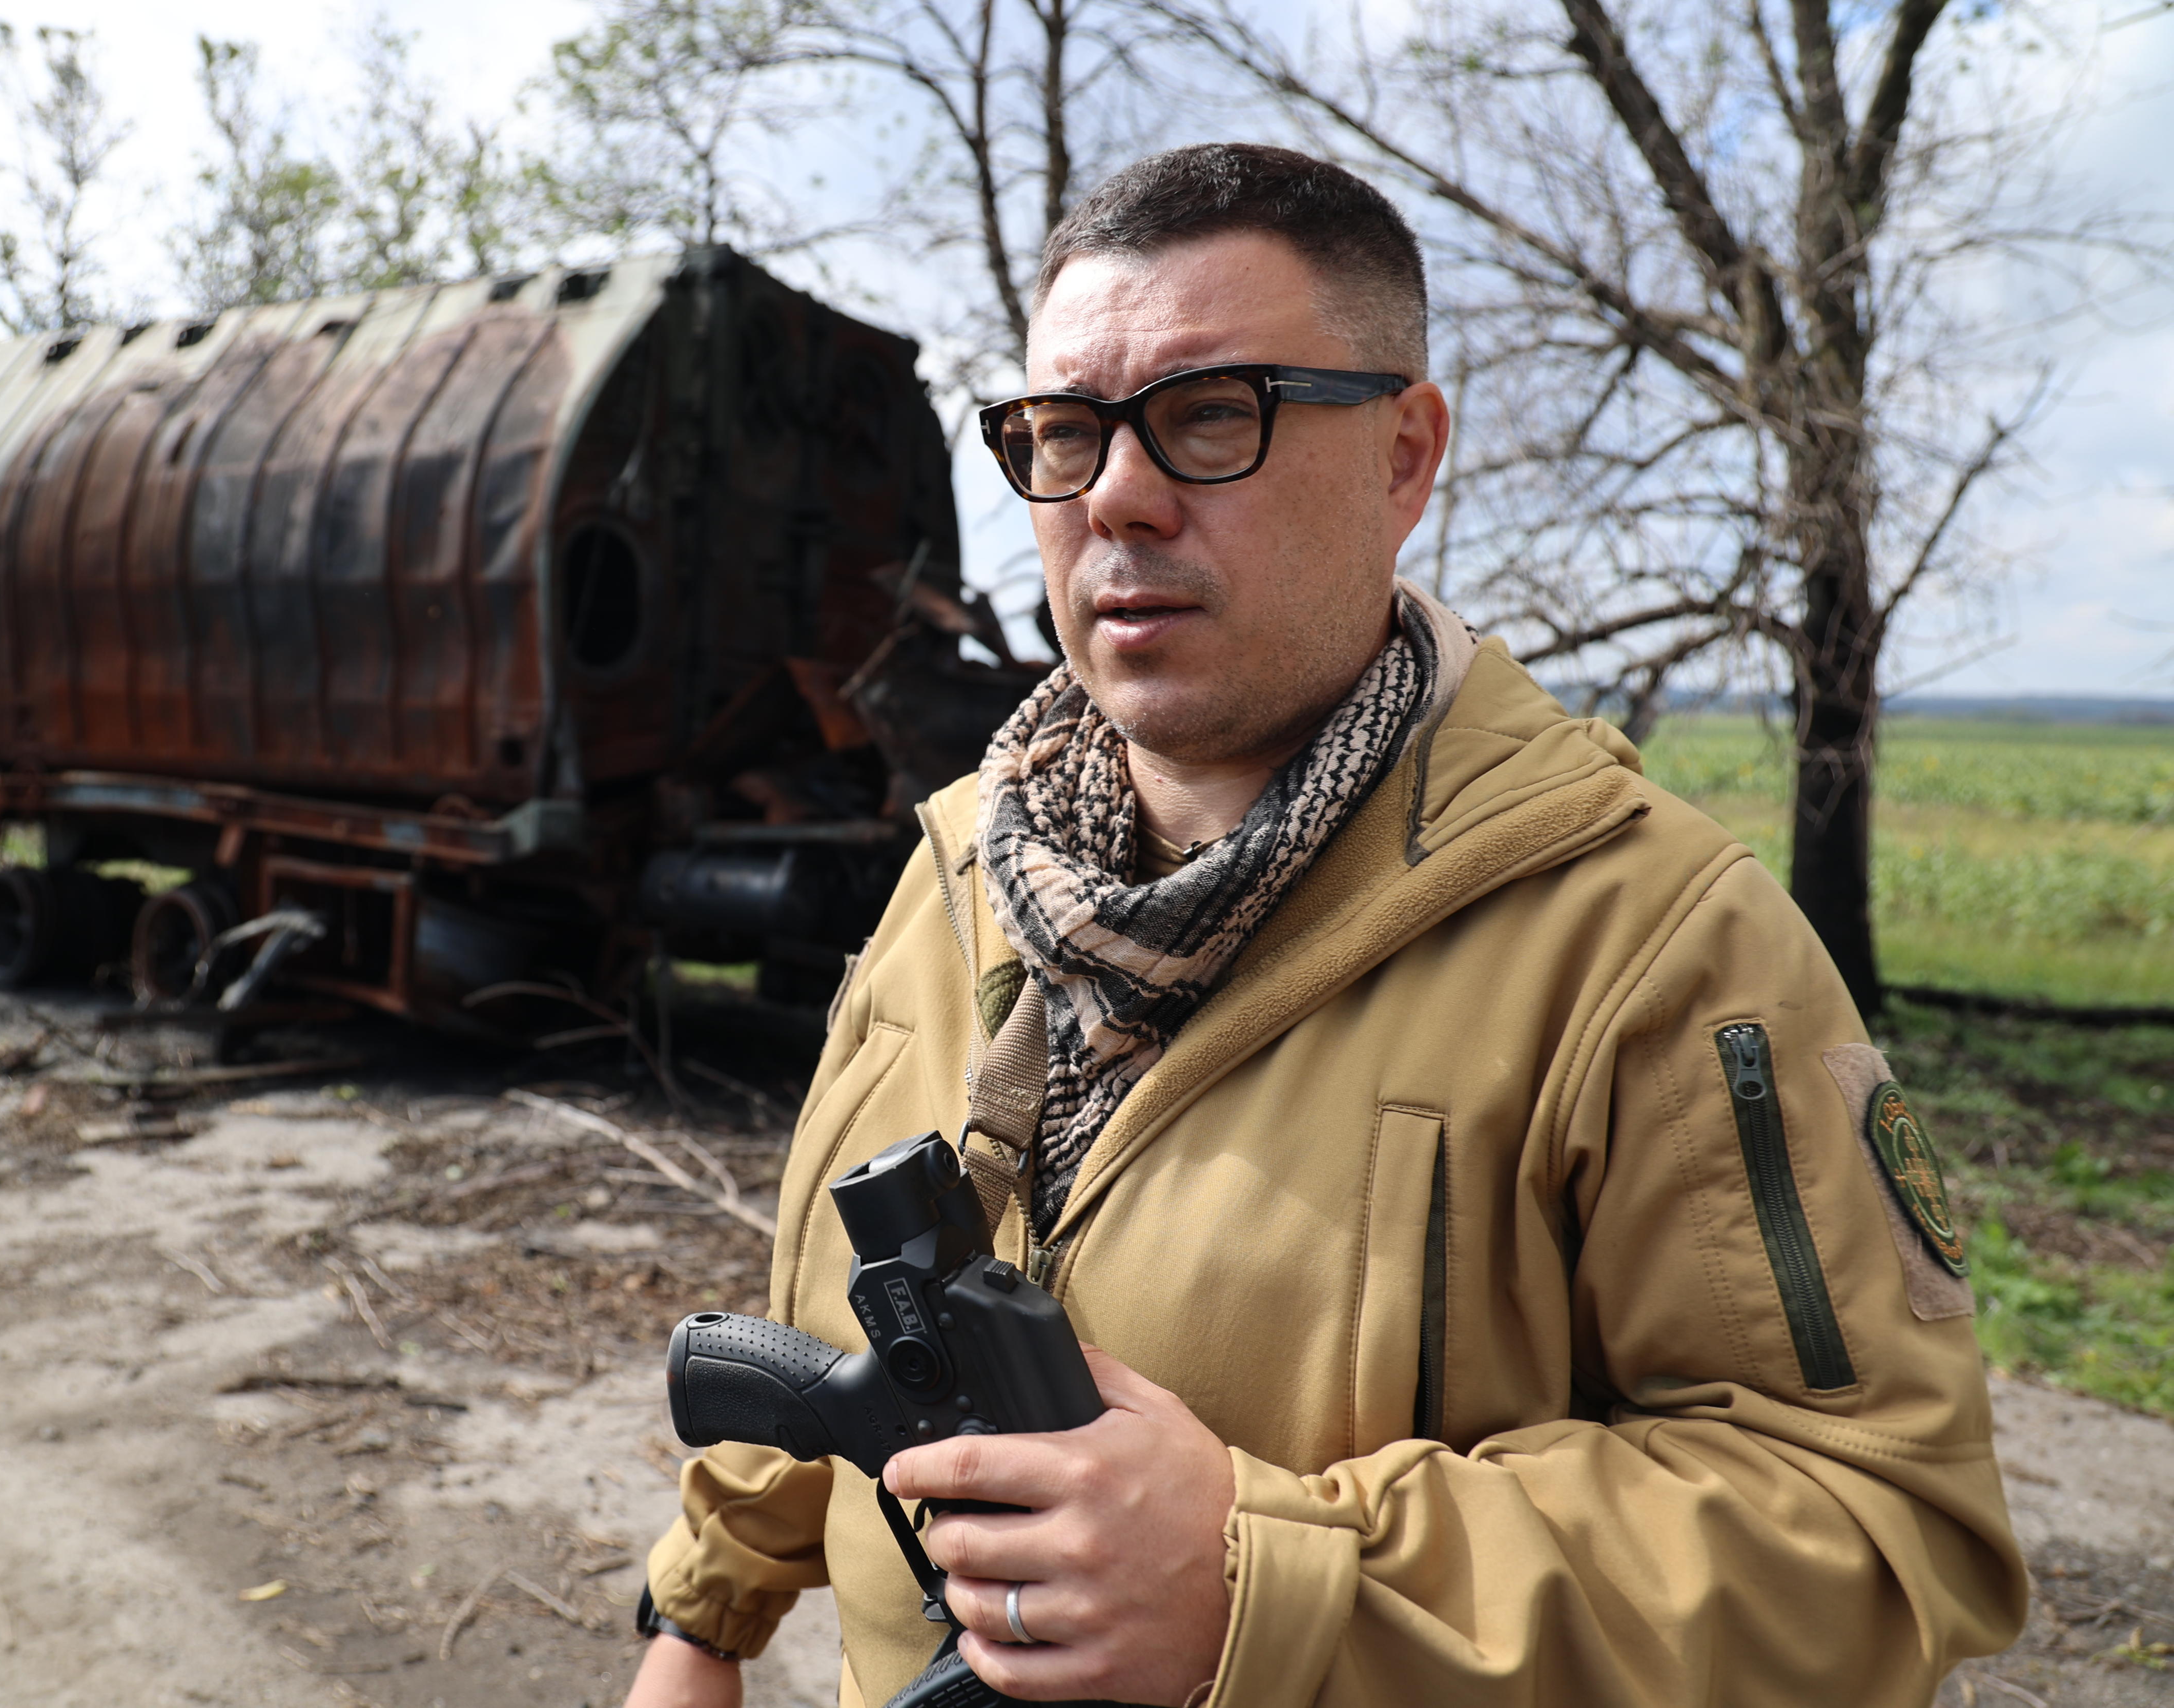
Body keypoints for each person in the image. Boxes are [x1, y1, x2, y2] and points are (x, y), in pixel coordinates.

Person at [624, 142, 2026, 1708]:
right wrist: (704, 1619)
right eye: (1064, 433)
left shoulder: (1651, 944)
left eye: (1215, 417)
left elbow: (1882, 1533)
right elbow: (843, 1313)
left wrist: (1269, 1582)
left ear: (1405, 457)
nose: (1119, 498)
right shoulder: (963, 861)